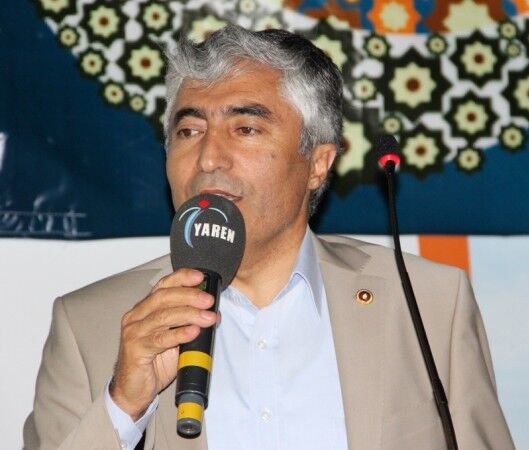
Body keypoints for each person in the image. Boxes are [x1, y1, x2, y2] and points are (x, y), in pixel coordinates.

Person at [24, 25, 514, 449]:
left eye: (246, 129)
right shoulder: (91, 326)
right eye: (189, 131)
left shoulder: (427, 304)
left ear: (318, 163)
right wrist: (123, 408)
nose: (209, 157)